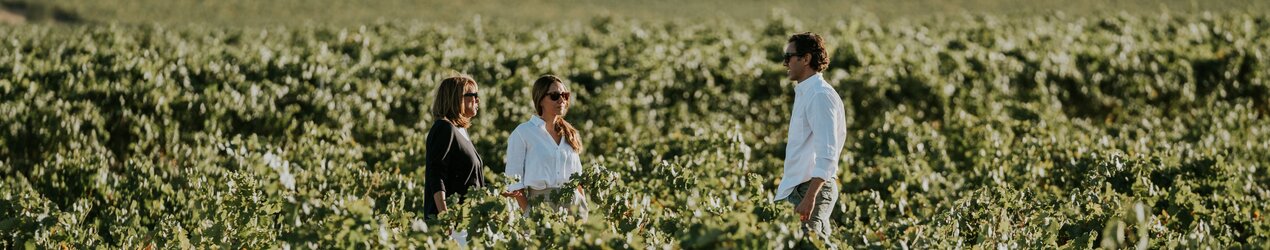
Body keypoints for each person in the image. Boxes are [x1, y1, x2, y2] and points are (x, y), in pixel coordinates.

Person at [773, 32, 846, 239]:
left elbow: (827, 153)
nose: (785, 63)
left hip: (809, 189)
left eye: (789, 57)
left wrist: (810, 197)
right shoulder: (807, 92)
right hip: (797, 189)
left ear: (806, 59)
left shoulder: (819, 95)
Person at [501, 75, 588, 218]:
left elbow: (578, 179)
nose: (562, 100)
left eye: (564, 95)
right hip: (541, 207)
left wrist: (583, 205)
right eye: (555, 95)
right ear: (540, 99)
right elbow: (514, 181)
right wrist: (529, 213)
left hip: (575, 208)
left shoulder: (570, 134)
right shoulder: (523, 133)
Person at [424, 75, 486, 218]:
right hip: (454, 222)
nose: (477, 100)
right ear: (456, 98)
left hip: (468, 219)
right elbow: (436, 175)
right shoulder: (444, 128)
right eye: (473, 95)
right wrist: (445, 216)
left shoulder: (461, 131)